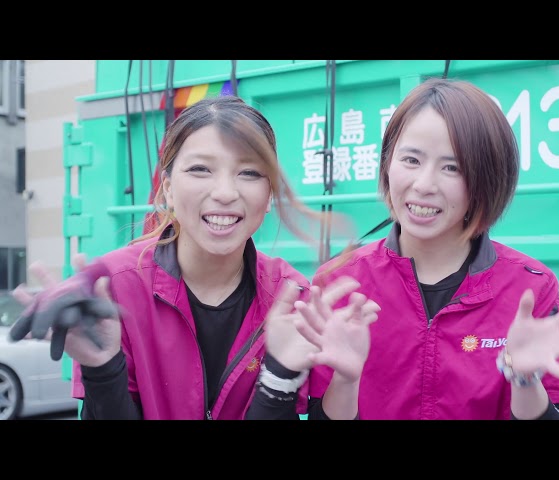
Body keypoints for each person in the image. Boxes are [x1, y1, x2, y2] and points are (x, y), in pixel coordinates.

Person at [255, 77, 559, 420]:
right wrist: (346, 381)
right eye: (411, 160)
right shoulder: (341, 282)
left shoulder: (530, 287)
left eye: (452, 167)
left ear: (486, 179)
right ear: (387, 164)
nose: (424, 185)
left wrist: (524, 380)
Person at [9, 95, 379, 420]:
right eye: (200, 169)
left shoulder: (291, 296)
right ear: (168, 188)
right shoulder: (117, 290)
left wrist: (286, 378)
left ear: (269, 196)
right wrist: (103, 369)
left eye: (249, 172)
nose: (225, 192)